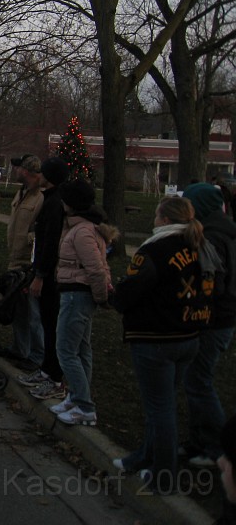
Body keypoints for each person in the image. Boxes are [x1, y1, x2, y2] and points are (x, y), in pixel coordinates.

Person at [111, 196, 212, 494]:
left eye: (157, 215)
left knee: (160, 409)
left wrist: (116, 297)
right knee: (162, 403)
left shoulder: (155, 249)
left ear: (166, 220)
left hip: (157, 338)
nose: (154, 219)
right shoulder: (201, 246)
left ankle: (163, 477)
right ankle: (144, 457)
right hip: (189, 334)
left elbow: (133, 290)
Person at [49, 178, 117, 427]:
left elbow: (96, 268)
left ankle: (84, 406)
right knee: (80, 349)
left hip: (77, 294)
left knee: (66, 350)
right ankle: (77, 396)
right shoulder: (81, 228)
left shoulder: (82, 232)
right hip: (76, 292)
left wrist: (101, 297)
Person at [182, 183, 236, 468]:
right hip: (222, 316)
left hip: (215, 319)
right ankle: (198, 441)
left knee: (198, 380)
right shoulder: (224, 230)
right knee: (195, 379)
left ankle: (217, 447)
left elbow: (213, 285)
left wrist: (192, 302)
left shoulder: (212, 238)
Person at [18, 157, 69, 401]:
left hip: (50, 276)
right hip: (43, 269)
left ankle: (54, 375)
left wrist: (40, 274)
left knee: (50, 324)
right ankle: (47, 369)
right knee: (48, 323)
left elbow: (50, 242)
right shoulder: (50, 200)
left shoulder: (54, 204)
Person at [6, 155, 45, 370]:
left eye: (20, 169)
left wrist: (31, 240)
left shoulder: (41, 198)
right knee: (18, 310)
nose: (17, 171)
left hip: (27, 262)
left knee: (32, 313)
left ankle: (36, 355)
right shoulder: (21, 193)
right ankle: (20, 348)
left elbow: (41, 230)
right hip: (14, 259)